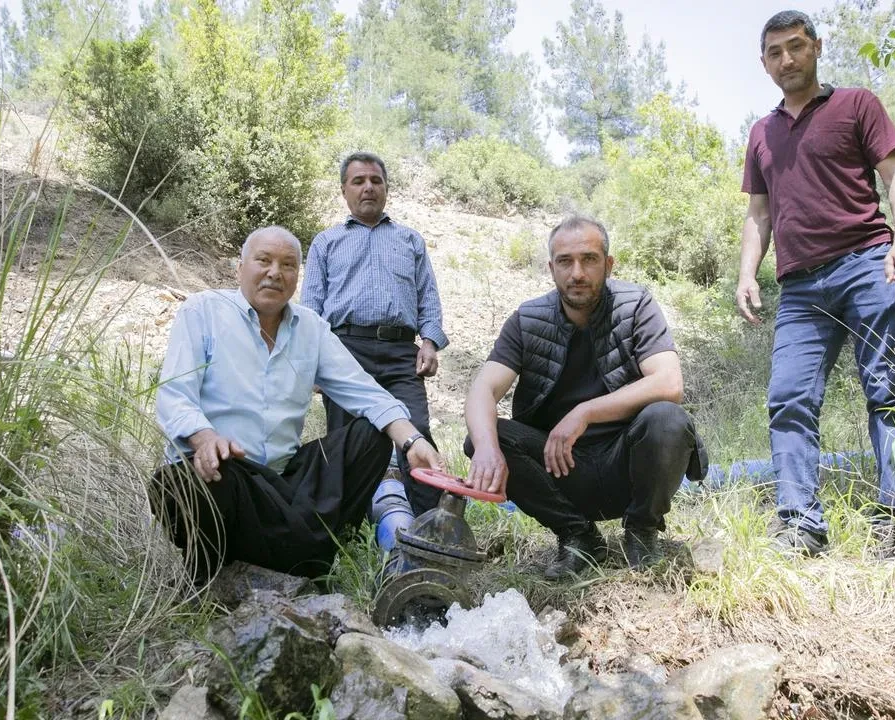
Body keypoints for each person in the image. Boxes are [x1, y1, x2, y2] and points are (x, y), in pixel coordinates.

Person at [153, 226, 445, 583]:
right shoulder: (202, 311)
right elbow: (174, 394)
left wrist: (412, 441)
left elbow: (365, 392)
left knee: (374, 436)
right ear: (239, 267)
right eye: (264, 261)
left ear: (297, 276)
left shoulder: (312, 327)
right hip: (227, 476)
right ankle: (222, 572)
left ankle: (308, 553)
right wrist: (204, 438)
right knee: (187, 481)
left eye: (288, 265)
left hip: (285, 481)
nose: (275, 272)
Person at [738, 10, 895, 558]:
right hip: (799, 288)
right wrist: (747, 272)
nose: (786, 59)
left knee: (889, 389)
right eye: (775, 51)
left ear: (817, 48)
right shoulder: (761, 133)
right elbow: (758, 213)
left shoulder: (856, 105)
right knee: (788, 398)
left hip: (867, 264)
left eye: (796, 47)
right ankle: (800, 524)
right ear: (764, 62)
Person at [462, 216, 707, 579]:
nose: (577, 272)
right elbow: (483, 388)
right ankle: (577, 535)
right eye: (565, 261)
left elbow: (669, 383)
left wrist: (586, 412)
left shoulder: (636, 306)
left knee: (667, 419)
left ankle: (642, 530)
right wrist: (486, 448)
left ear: (608, 264)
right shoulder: (527, 320)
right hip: (560, 469)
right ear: (551, 268)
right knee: (483, 436)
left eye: (589, 259)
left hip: (628, 463)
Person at [302, 152, 448, 516]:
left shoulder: (410, 240)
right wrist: (314, 363)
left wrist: (429, 341)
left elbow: (427, 295)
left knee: (417, 429)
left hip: (402, 354)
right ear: (344, 191)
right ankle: (347, 524)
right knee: (346, 439)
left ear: (386, 188)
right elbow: (310, 309)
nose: (368, 187)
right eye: (358, 181)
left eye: (375, 180)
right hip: (343, 351)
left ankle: (430, 522)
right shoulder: (326, 242)